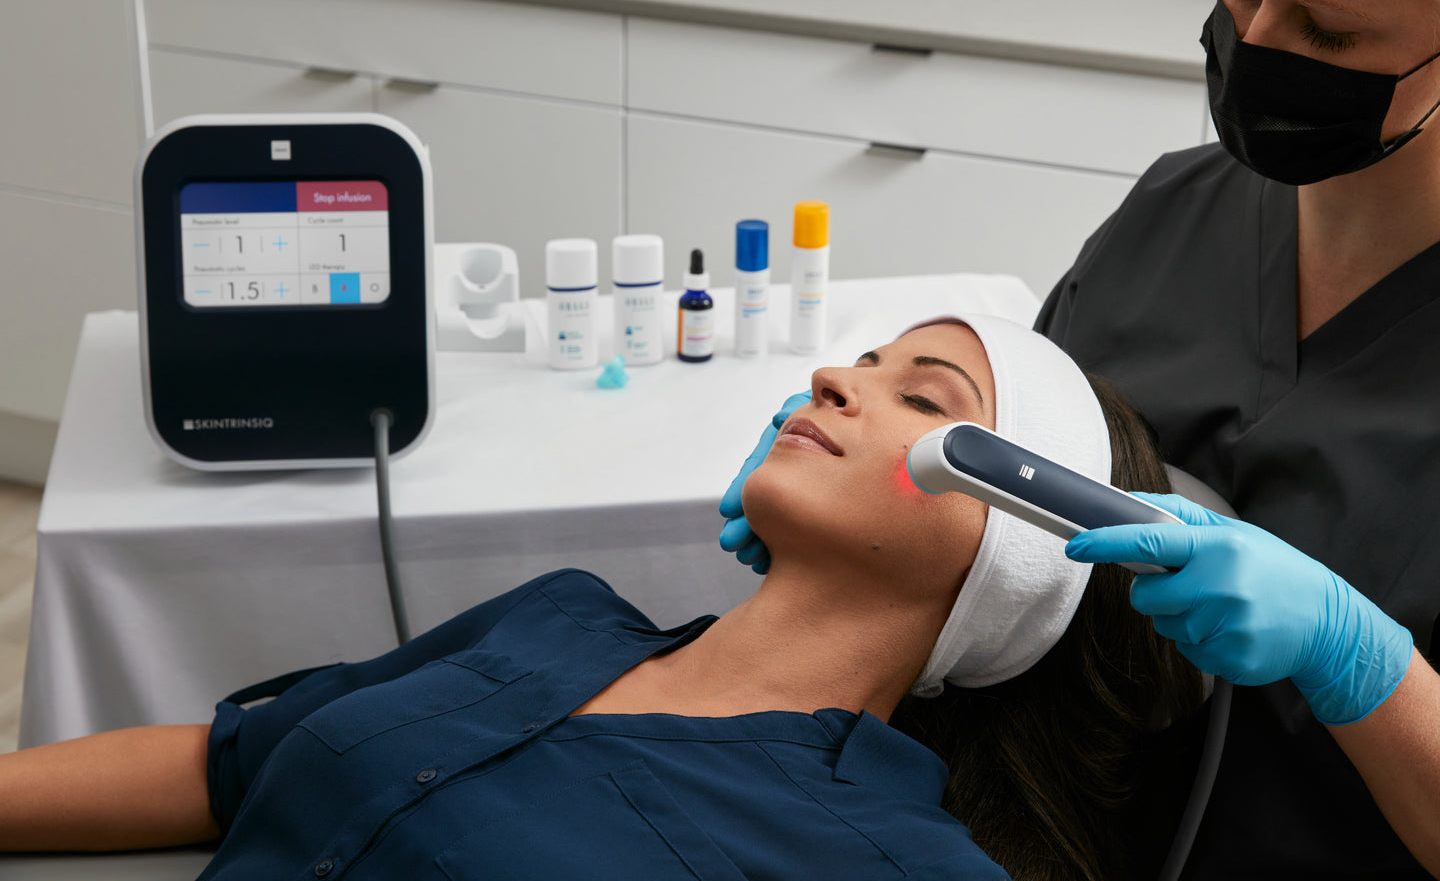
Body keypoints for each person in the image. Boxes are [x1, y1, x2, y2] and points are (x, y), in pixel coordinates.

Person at [715, 0, 1440, 877]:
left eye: (1328, 30)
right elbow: (1012, 491)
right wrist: (847, 510)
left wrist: (1361, 664)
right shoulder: (1174, 208)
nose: (1256, 43)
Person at [0, 315, 1200, 881]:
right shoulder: (555, 621)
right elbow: (221, 767)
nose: (836, 375)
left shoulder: (898, 862)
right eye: (863, 360)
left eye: (925, 400)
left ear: (1017, 549)